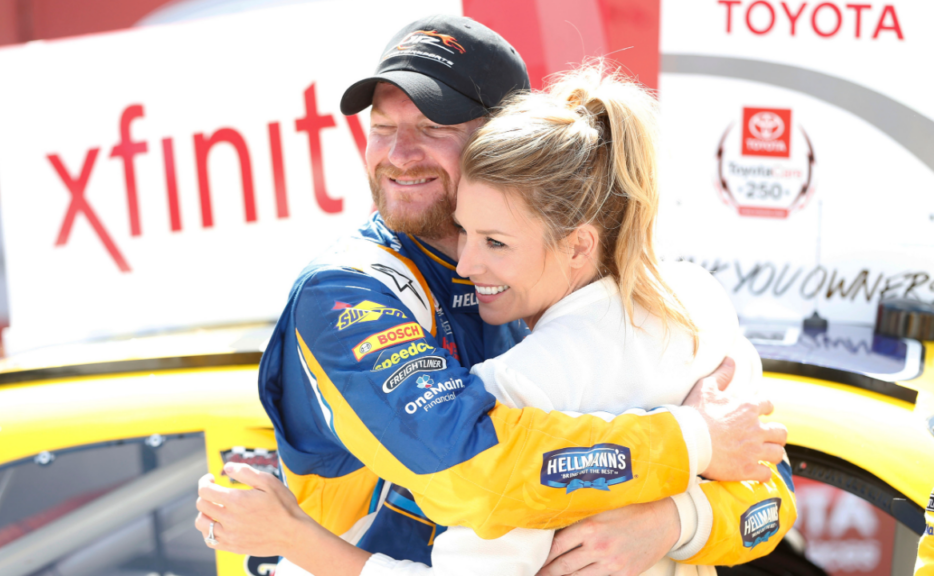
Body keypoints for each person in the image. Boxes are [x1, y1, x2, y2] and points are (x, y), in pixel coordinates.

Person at [195, 15, 788, 573]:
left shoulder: (617, 292)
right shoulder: (348, 290)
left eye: (432, 127)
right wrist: (697, 442)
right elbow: (470, 466)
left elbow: (772, 495)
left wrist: (674, 521)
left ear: (500, 138)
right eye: (381, 128)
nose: (399, 155)